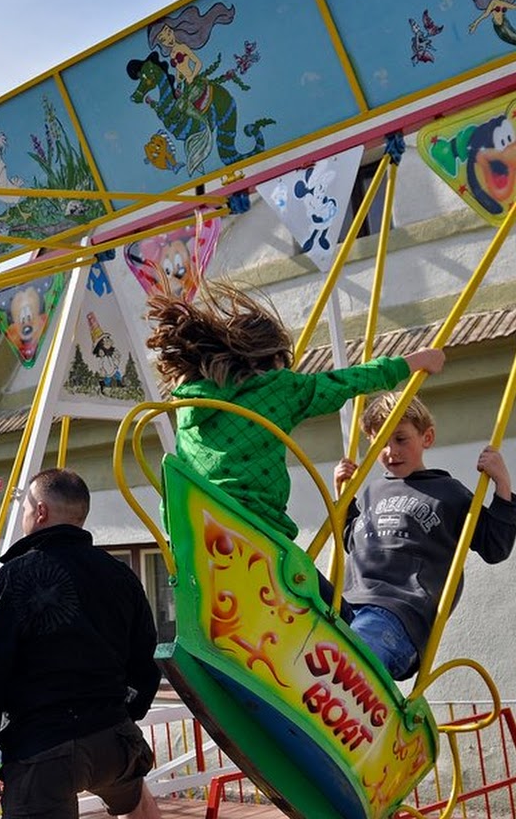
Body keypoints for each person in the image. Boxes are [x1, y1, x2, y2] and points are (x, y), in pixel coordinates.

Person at [144, 281, 446, 541]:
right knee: (327, 604)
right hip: (255, 525)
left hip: (192, 521)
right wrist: (415, 361)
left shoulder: (191, 399)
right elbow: (345, 381)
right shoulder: (278, 388)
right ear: (272, 358)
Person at [0, 468, 162, 819]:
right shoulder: (121, 575)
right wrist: (121, 716)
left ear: (40, 512)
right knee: (137, 801)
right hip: (113, 737)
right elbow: (146, 662)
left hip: (44, 746)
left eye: (23, 508)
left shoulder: (15, 577)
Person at [335, 392, 516, 680]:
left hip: (399, 613)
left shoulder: (448, 492)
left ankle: (343, 684)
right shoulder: (370, 493)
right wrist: (343, 496)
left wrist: (502, 483)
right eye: (381, 441)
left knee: (350, 652)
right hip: (347, 606)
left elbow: (495, 546)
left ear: (427, 438)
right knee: (300, 590)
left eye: (401, 439)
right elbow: (351, 541)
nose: (391, 451)